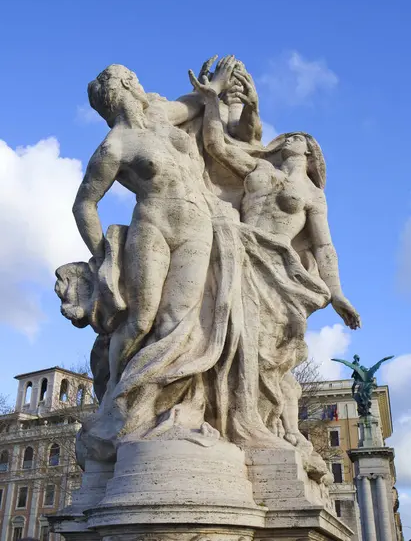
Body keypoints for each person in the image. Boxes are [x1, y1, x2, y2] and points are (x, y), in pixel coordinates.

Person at [189, 67, 360, 463]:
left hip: (278, 270)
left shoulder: (313, 196)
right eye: (291, 136)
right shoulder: (260, 169)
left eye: (302, 139)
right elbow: (215, 144)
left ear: (311, 155)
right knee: (224, 330)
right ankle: (224, 416)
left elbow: (324, 246)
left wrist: (337, 294)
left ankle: (257, 423)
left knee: (263, 349)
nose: (293, 139)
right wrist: (212, 100)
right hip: (239, 250)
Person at [73, 60, 234, 443]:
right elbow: (84, 205)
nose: (141, 84)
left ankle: (162, 406)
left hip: (198, 226)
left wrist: (217, 85)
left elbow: (196, 104)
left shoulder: (162, 115)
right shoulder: (115, 145)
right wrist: (105, 259)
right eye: (134, 80)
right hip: (153, 227)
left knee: (180, 317)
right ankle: (118, 397)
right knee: (143, 319)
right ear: (125, 86)